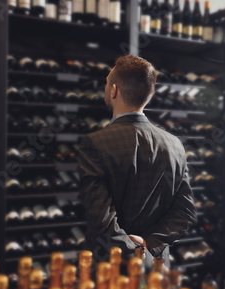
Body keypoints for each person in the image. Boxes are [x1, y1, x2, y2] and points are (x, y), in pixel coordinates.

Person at [77, 54, 197, 266]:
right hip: (157, 268)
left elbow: (102, 222)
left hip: (111, 269)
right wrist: (148, 244)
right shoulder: (175, 145)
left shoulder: (95, 144)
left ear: (114, 90)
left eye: (107, 83)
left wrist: (136, 251)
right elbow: (184, 213)